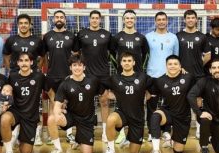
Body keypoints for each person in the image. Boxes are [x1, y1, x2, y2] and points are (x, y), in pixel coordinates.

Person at [45, 54, 104, 153]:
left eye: (80, 65)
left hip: (86, 119)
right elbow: (57, 104)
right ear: (70, 67)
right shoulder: (65, 84)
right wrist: (57, 113)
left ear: (84, 67)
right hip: (71, 116)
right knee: (51, 119)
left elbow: (103, 95)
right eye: (74, 65)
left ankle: (78, 140)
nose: (77, 68)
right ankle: (58, 149)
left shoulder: (93, 80)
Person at [102, 51, 152, 153]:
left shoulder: (143, 77)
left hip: (137, 117)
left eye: (129, 61)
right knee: (111, 120)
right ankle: (111, 149)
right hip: (122, 114)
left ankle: (129, 138)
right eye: (124, 61)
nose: (127, 63)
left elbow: (150, 92)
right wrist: (114, 96)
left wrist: (143, 98)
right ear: (120, 63)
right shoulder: (115, 78)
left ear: (134, 63)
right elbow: (102, 89)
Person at [109, 9, 149, 144]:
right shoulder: (117, 37)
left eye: (132, 18)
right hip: (122, 76)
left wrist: (141, 70)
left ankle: (134, 132)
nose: (129, 20)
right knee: (121, 102)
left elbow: (147, 54)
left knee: (138, 103)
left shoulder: (141, 37)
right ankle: (120, 133)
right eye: (127, 18)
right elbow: (111, 54)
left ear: (135, 20)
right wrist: (118, 69)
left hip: (137, 77)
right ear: (123, 20)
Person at [0, 52, 46, 153]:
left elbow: (50, 91)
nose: (24, 63)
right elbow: (7, 93)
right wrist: (3, 104)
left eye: (26, 60)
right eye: (21, 61)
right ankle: (9, 152)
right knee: (5, 119)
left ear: (31, 62)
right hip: (16, 111)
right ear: (18, 63)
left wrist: (56, 106)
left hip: (30, 116)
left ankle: (18, 136)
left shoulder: (39, 76)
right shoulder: (13, 76)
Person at [148, 55, 195, 153]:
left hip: (183, 116)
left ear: (180, 66)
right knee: (155, 116)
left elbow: (197, 93)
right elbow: (152, 95)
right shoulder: (160, 80)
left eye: (175, 64)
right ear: (166, 66)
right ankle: (156, 151)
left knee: (178, 151)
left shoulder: (189, 78)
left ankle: (171, 140)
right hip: (167, 112)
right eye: (170, 64)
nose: (172, 66)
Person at [42, 10, 78, 144]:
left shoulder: (71, 36)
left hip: (67, 75)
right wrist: (47, 69)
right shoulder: (47, 36)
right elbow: (43, 55)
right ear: (53, 19)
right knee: (53, 103)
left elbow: (76, 55)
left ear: (65, 20)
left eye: (61, 17)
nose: (59, 19)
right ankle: (53, 134)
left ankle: (69, 134)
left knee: (67, 103)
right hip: (52, 75)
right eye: (56, 17)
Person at [77, 10, 112, 142]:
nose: (95, 20)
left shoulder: (107, 34)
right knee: (86, 104)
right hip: (87, 75)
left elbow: (111, 53)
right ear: (89, 19)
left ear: (100, 20)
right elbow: (76, 53)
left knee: (104, 102)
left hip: (103, 74)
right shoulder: (82, 34)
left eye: (97, 18)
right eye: (93, 18)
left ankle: (104, 132)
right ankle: (87, 130)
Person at [177, 9, 211, 140]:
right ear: (184, 20)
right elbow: (174, 54)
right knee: (182, 102)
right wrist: (180, 67)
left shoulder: (202, 36)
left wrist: (199, 64)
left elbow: (208, 55)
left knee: (198, 101)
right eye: (188, 18)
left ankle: (199, 129)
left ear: (197, 20)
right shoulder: (178, 36)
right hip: (182, 75)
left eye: (193, 18)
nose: (190, 20)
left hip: (198, 75)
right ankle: (181, 129)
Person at [145, 11, 179, 144]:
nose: (161, 22)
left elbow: (176, 57)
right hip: (152, 76)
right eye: (158, 19)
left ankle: (166, 130)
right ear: (155, 21)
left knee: (169, 105)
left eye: (163, 19)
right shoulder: (148, 37)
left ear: (167, 21)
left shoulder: (173, 38)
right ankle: (151, 132)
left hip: (168, 77)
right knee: (151, 105)